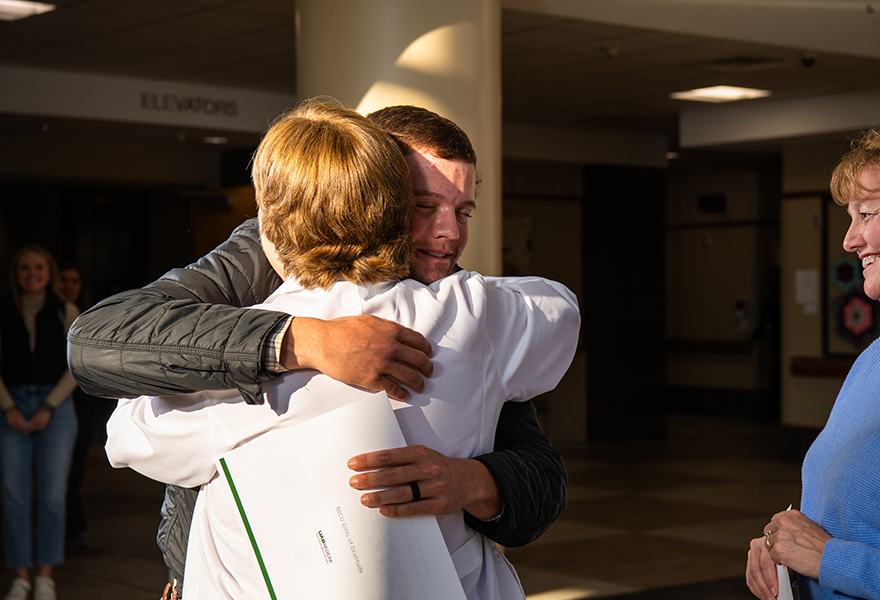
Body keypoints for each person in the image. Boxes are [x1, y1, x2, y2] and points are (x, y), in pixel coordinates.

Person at [67, 105, 569, 580]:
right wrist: (301, 339)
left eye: (464, 212)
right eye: (423, 206)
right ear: (366, 194)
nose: (449, 234)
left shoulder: (466, 307)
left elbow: (541, 477)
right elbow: (96, 342)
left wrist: (471, 481)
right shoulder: (265, 248)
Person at [746, 125, 880, 600]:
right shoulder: (876, 360)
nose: (849, 240)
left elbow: (834, 553)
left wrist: (828, 559)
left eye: (866, 214)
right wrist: (783, 549)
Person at [0, 245, 80, 600]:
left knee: (52, 498)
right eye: (24, 267)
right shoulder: (3, 308)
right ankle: (21, 576)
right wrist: (8, 408)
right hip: (10, 406)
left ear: (49, 272)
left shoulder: (66, 310)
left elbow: (76, 366)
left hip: (56, 409)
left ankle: (45, 576)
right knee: (14, 498)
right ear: (15, 273)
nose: (32, 273)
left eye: (39, 267)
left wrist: (48, 406)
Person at [58, 264, 113, 549]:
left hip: (82, 403)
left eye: (75, 281)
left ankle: (74, 525)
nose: (69, 286)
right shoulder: (56, 313)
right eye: (64, 280)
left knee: (74, 467)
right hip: (60, 401)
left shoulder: (87, 315)